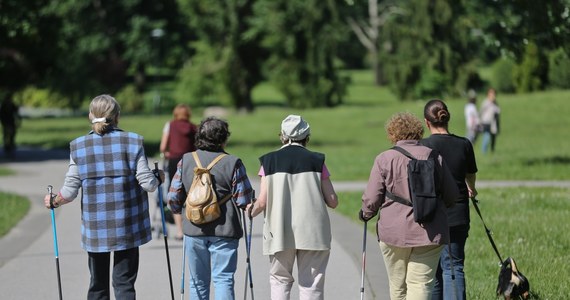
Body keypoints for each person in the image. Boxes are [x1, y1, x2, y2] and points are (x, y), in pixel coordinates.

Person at [43, 94, 164, 300]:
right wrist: (158, 177)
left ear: (91, 115)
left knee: (97, 285)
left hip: (96, 227)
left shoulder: (79, 146)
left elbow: (70, 191)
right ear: (118, 116)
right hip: (128, 226)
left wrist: (54, 200)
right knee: (124, 283)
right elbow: (149, 185)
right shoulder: (133, 141)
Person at [359, 112, 458, 300]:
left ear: (392, 134)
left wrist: (365, 213)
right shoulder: (434, 156)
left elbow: (372, 199)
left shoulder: (385, 158)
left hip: (393, 232)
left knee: (398, 286)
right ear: (418, 132)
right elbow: (452, 195)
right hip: (430, 231)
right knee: (420, 284)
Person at [247, 114, 339, 300]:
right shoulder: (317, 160)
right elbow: (333, 201)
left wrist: (249, 210)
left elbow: (262, 202)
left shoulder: (268, 161)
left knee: (280, 280)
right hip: (313, 232)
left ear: (282, 135)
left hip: (279, 230)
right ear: (307, 136)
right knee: (311, 284)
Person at [167, 117, 254, 300]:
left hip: (193, 228)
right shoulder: (233, 162)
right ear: (224, 138)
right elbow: (243, 200)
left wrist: (178, 210)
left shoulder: (186, 160)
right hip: (225, 229)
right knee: (223, 279)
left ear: (199, 137)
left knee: (197, 281)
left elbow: (174, 197)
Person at [421, 99, 478, 300]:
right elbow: (470, 175)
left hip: (429, 214)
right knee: (454, 266)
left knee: (434, 271)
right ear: (447, 118)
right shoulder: (464, 144)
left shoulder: (423, 146)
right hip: (458, 213)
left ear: (427, 122)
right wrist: (471, 188)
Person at [160, 104, 197, 240]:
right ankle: (191, 225)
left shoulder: (170, 125)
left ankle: (180, 231)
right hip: (191, 161)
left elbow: (163, 147)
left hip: (174, 161)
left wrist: (168, 153)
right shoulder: (193, 127)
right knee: (190, 192)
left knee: (176, 192)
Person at [480, 88, 500, 154]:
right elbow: (481, 112)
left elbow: (498, 113)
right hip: (486, 122)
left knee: (493, 138)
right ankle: (484, 151)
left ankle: (492, 151)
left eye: (494, 94)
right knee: (487, 136)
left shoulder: (495, 104)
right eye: (491, 94)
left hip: (493, 123)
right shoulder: (486, 103)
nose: (493, 95)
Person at [0, 91, 21, 155]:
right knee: (6, 135)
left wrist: (18, 121)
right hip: (6, 122)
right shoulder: (3, 106)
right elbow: (1, 115)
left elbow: (17, 113)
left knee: (12, 134)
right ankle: (7, 146)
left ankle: (11, 145)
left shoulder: (12, 105)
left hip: (11, 122)